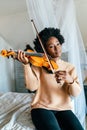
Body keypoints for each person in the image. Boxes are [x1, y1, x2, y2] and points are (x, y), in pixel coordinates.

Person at [17, 28, 84, 130]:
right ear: (44, 49)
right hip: (42, 108)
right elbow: (32, 87)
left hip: (64, 109)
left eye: (58, 44)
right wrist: (26, 65)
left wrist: (70, 80)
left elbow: (75, 93)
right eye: (51, 46)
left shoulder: (70, 67)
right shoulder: (38, 65)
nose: (57, 49)